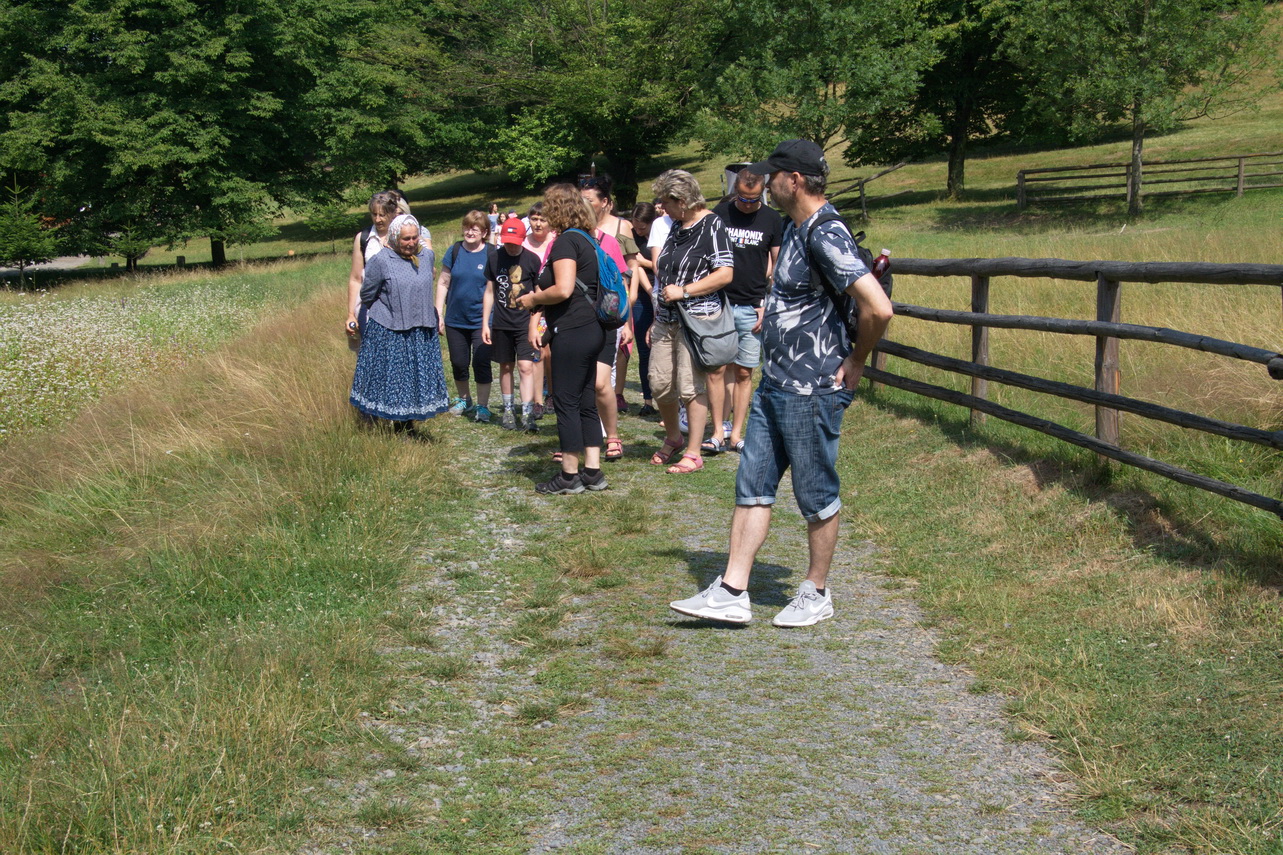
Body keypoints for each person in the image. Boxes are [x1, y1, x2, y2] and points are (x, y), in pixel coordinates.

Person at [669, 139, 894, 627]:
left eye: (773, 175)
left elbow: (878, 307)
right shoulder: (795, 227)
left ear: (794, 180)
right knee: (752, 485)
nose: (765, 183)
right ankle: (732, 591)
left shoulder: (825, 232)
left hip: (812, 389)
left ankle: (817, 591)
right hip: (776, 384)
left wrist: (856, 360)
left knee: (815, 492)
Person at [514, 184, 608, 495]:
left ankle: (569, 475)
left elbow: (564, 289)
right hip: (592, 329)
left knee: (566, 402)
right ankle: (592, 471)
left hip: (573, 332)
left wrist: (533, 299)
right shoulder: (588, 239)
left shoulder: (567, 241)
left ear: (558, 209)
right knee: (585, 401)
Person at [646, 169, 734, 474]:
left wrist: (685, 291)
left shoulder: (713, 225)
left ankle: (694, 452)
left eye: (666, 202)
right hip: (666, 317)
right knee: (659, 383)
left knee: (690, 386)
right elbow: (666, 270)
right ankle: (674, 437)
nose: (662, 208)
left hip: (696, 320)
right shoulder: (677, 226)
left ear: (682, 201)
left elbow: (725, 274)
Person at [349, 214, 450, 431]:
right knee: (389, 378)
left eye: (414, 237)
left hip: (420, 328)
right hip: (390, 329)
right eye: (406, 239)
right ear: (395, 237)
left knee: (412, 380)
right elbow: (367, 294)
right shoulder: (381, 260)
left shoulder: (427, 257)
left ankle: (407, 425)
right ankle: (377, 421)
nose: (411, 243)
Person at [710, 168, 783, 453]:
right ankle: (717, 431)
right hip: (719, 303)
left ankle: (737, 434)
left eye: (754, 199)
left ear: (763, 193)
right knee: (717, 369)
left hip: (752, 306)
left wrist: (767, 303)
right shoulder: (720, 214)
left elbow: (777, 265)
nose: (748, 204)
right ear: (735, 191)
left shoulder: (772, 219)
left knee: (743, 372)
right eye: (742, 198)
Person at [580, 175, 633, 462]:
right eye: (580, 200)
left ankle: (611, 435)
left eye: (588, 201)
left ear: (603, 204)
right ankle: (580, 435)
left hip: (603, 321)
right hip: (573, 322)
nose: (583, 205)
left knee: (602, 382)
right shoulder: (562, 240)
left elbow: (620, 285)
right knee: (577, 381)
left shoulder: (609, 242)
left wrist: (625, 323)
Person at [435, 211, 497, 422]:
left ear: (484, 232)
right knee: (459, 362)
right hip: (455, 319)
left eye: (475, 229)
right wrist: (438, 313)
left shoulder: (491, 253)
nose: (470, 232)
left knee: (481, 362)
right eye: (467, 227)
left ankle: (483, 406)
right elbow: (443, 282)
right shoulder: (454, 251)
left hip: (482, 320)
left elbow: (496, 287)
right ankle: (465, 399)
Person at [482, 218, 543, 431]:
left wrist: (536, 323)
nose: (510, 246)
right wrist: (485, 323)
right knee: (506, 366)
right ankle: (508, 411)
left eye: (514, 242)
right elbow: (489, 292)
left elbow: (539, 294)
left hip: (525, 323)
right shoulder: (494, 258)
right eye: (507, 242)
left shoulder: (532, 260)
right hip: (502, 323)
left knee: (526, 366)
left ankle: (527, 413)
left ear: (522, 239)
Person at [628, 202, 661, 417]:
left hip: (663, 291)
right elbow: (635, 265)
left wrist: (646, 262)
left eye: (642, 228)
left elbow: (660, 265)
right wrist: (650, 293)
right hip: (642, 294)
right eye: (636, 226)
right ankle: (648, 400)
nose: (638, 231)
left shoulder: (662, 233)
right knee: (644, 348)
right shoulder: (632, 236)